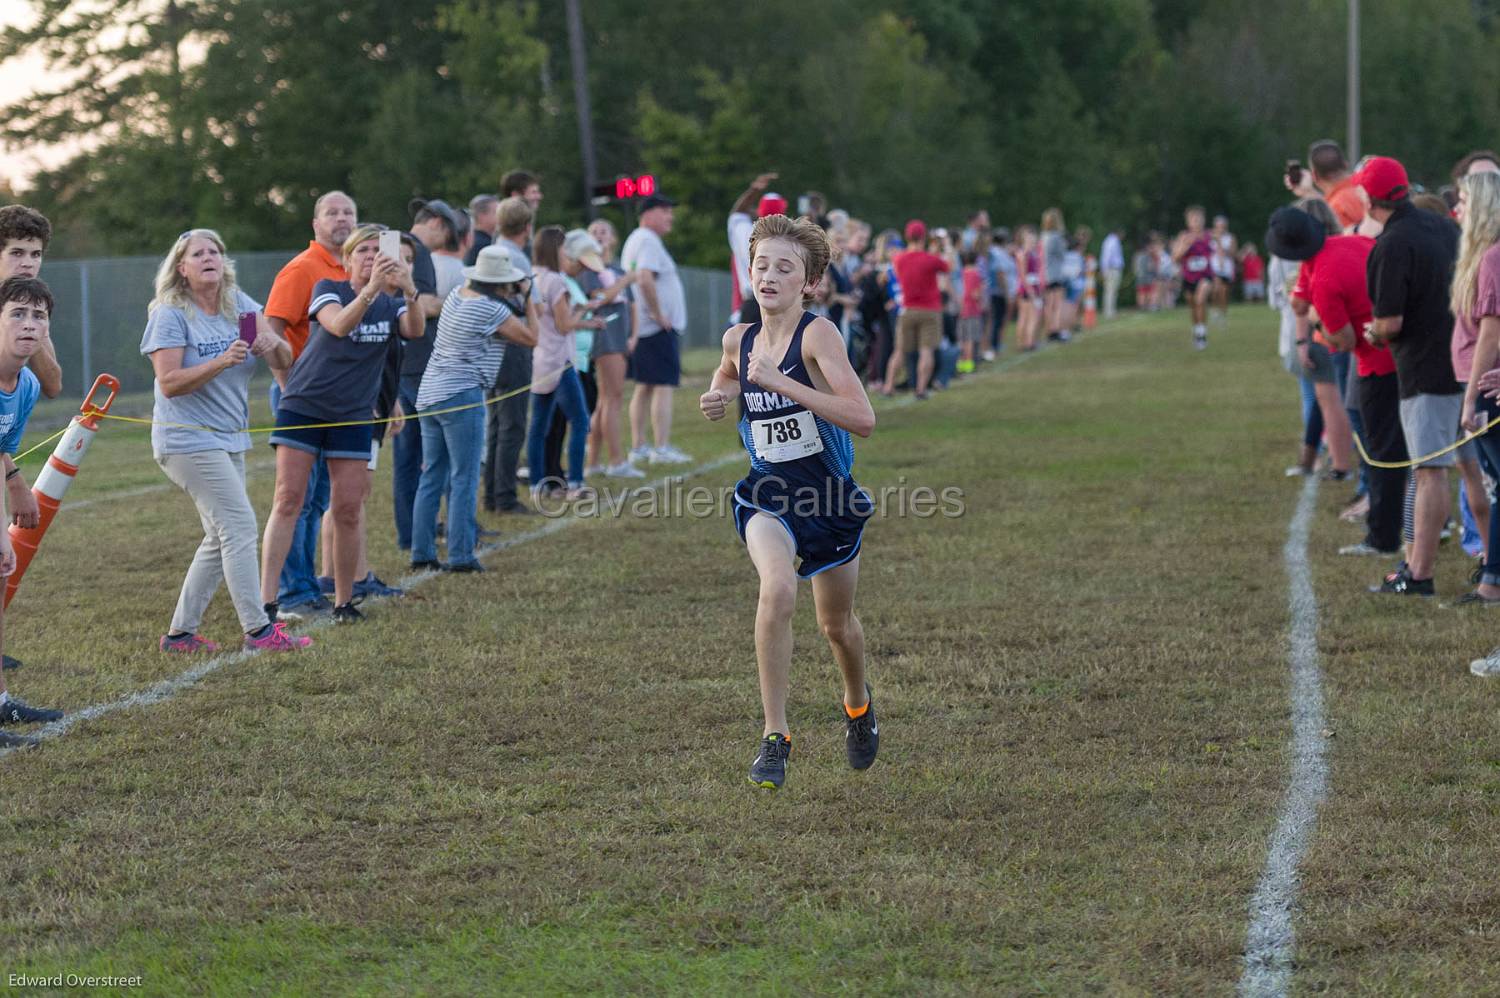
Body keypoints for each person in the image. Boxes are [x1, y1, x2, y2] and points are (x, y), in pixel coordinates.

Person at [698, 214, 877, 790]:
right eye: (761, 265)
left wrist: (784, 384)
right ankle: (775, 736)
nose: (769, 276)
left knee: (837, 626)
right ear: (748, 272)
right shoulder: (739, 336)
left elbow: (863, 418)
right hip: (767, 493)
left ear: (809, 283)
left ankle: (857, 705)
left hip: (826, 498)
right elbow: (729, 372)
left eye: (784, 267)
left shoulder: (818, 336)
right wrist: (718, 394)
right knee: (775, 589)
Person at [139, 229, 311, 655]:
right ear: (182, 269)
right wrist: (221, 361)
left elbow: (283, 358)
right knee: (239, 527)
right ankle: (259, 631)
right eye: (197, 253)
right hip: (186, 441)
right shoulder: (170, 312)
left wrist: (274, 345)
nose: (208, 257)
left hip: (228, 439)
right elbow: (169, 382)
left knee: (219, 537)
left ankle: (180, 636)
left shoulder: (239, 305)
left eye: (214, 250)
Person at [261, 225, 424, 624]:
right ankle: (265, 602)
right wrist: (370, 290)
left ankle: (344, 601)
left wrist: (409, 288)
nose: (372, 256)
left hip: (354, 412)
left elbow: (415, 330)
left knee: (348, 508)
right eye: (363, 251)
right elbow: (338, 325)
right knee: (288, 499)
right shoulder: (328, 288)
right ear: (348, 259)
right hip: (304, 404)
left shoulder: (391, 303)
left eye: (378, 250)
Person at [1360, 156, 1462, 598]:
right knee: (1472, 472)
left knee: (1430, 471)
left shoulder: (1391, 243)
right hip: (1466, 359)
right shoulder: (1445, 227)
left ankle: (1418, 573)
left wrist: (1372, 331)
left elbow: (1390, 322)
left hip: (1426, 368)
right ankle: (1488, 565)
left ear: (1369, 198)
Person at [411, 245, 539, 573]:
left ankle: (422, 551)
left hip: (430, 391)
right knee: (465, 476)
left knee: (432, 475)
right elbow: (530, 337)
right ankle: (461, 555)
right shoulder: (490, 310)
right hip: (461, 394)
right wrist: (529, 298)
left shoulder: (456, 294)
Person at [262, 190, 357, 615]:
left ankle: (306, 585)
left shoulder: (354, 268)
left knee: (318, 499)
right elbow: (270, 331)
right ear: (315, 224)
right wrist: (287, 384)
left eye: (348, 212)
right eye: (331, 212)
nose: (341, 219)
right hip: (300, 396)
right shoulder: (302, 268)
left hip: (337, 400)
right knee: (294, 500)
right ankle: (292, 594)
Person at [0, 277, 64, 746]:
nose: (29, 324)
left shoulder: (22, 385)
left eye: (38, 316)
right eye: (17, 314)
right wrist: (14, 485)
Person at [392, 199, 464, 557]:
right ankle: (416, 532)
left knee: (416, 453)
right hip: (413, 363)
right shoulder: (410, 248)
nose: (450, 243)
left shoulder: (406, 246)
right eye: (450, 234)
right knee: (426, 452)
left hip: (408, 363)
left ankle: (416, 530)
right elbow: (411, 301)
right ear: (436, 222)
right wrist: (441, 302)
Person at [527, 227, 603, 498]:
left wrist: (579, 313)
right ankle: (575, 483)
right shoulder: (557, 281)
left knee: (539, 426)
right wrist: (582, 312)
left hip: (540, 358)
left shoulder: (533, 276)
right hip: (561, 361)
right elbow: (564, 324)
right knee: (581, 421)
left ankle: (538, 484)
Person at [622, 193, 692, 465]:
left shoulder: (638, 239)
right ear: (648, 213)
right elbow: (644, 278)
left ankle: (639, 447)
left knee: (646, 386)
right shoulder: (647, 239)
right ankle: (660, 448)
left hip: (646, 328)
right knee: (663, 385)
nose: (670, 216)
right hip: (655, 327)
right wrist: (657, 313)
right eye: (665, 210)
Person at [483, 196, 537, 514]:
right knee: (512, 425)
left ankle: (492, 492)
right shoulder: (517, 258)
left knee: (496, 424)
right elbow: (528, 303)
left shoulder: (490, 251)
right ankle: (503, 495)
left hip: (491, 350)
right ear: (527, 228)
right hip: (512, 345)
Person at [574, 225, 641, 478]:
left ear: (613, 238)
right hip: (604, 338)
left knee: (606, 401)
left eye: (605, 231)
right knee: (612, 399)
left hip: (620, 339)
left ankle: (592, 463)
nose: (600, 235)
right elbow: (598, 299)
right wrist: (625, 280)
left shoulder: (617, 269)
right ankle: (616, 461)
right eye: (594, 231)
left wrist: (633, 336)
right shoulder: (590, 270)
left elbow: (632, 306)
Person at [0, 206, 63, 398]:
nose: (28, 263)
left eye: (35, 254)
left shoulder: (31, 307)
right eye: (17, 253)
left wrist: (29, 330)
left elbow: (53, 386)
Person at [881, 219, 948, 398]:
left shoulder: (899, 259)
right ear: (923, 237)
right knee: (926, 351)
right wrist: (941, 248)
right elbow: (948, 267)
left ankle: (888, 386)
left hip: (907, 309)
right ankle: (920, 389)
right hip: (930, 310)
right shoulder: (930, 259)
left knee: (900, 350)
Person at [727, 172, 785, 326]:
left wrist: (754, 190)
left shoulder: (744, 230)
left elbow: (737, 213)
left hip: (751, 304)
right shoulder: (787, 239)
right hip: (778, 304)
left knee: (747, 349)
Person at [1171, 206, 1215, 350]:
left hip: (1205, 276)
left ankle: (1202, 334)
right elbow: (1175, 258)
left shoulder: (1210, 236)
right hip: (1189, 277)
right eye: (1193, 219)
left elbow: (1219, 252)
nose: (1197, 222)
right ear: (1188, 222)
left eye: (1199, 219)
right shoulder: (1184, 237)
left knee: (1200, 300)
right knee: (1193, 306)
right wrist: (1185, 246)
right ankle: (1197, 330)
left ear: (1204, 220)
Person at [986, 227, 1016, 358]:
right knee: (997, 319)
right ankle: (994, 345)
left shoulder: (997, 252)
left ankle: (995, 343)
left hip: (997, 290)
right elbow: (1000, 273)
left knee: (997, 319)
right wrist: (1006, 292)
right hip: (998, 291)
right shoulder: (997, 253)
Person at [1040, 207, 1069, 342]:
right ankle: (1055, 330)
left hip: (1045, 273)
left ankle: (1048, 329)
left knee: (1048, 305)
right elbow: (1062, 255)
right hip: (1056, 273)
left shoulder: (1043, 236)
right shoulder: (1057, 237)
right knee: (1057, 304)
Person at [1211, 215, 1237, 321]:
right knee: (1216, 289)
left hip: (1226, 268)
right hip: (1214, 267)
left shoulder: (1230, 237)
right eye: (1218, 226)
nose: (1220, 228)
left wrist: (1221, 244)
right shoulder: (1210, 237)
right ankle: (1214, 309)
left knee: (1224, 291)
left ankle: (1222, 313)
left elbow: (1233, 253)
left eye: (1222, 226)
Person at [466, 193, 499, 265]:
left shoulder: (472, 239)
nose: (500, 216)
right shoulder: (483, 245)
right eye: (496, 212)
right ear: (481, 216)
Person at [1100, 228, 1124, 320]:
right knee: (1110, 291)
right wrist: (1105, 270)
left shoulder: (1111, 241)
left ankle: (1111, 311)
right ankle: (1109, 312)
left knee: (1112, 291)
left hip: (1112, 269)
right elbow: (1107, 256)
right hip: (1112, 269)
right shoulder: (1112, 241)